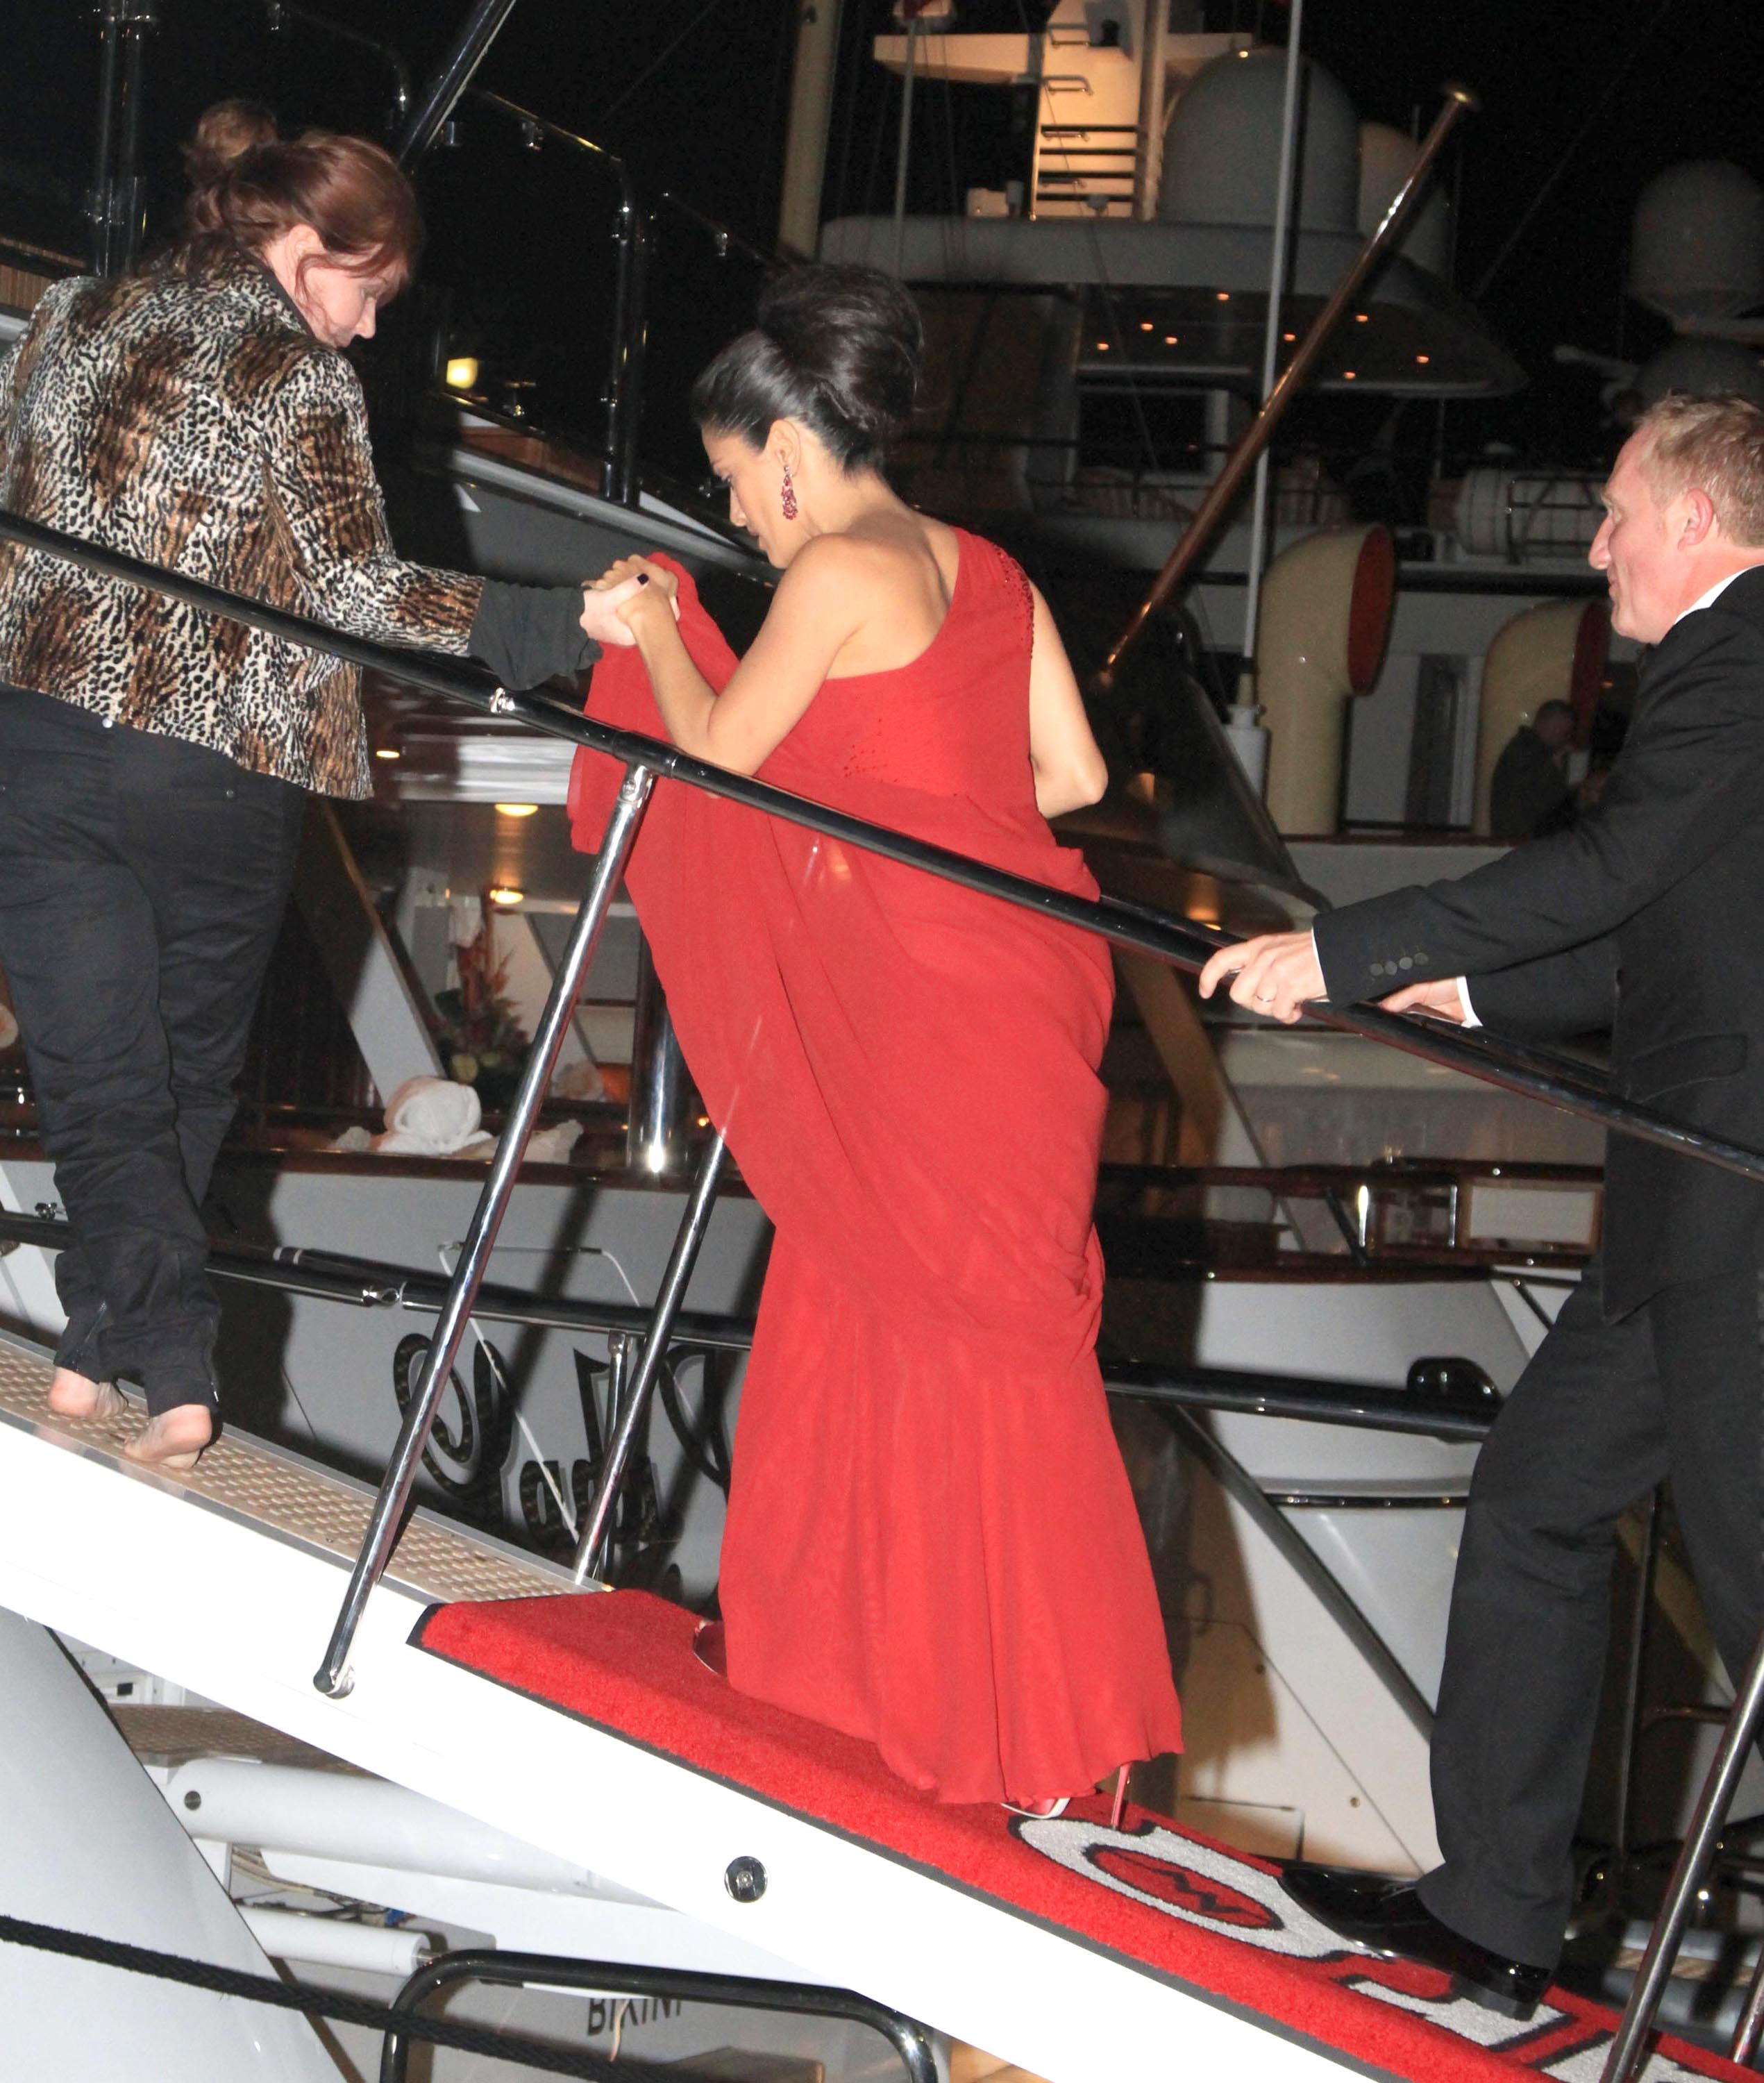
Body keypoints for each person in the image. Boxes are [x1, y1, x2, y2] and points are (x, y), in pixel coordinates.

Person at [569, 263, 1182, 1812]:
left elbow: (719, 750)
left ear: (789, 449)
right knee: (948, 1332)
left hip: (915, 1018)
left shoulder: (839, 570)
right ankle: (994, 1719)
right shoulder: (991, 569)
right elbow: (1067, 780)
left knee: (885, 1310)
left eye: (735, 481)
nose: (739, 517)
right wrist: (894, 797)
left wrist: (654, 621)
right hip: (1015, 997)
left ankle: (904, 1702)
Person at [1197, 392, 1764, 2016]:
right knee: (1534, 1498)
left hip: (1738, 1215)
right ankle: (1497, 1908)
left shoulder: (1743, 652)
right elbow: (1664, 936)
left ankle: (1503, 1908)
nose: (1595, 550)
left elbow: (1609, 866)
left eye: (1615, 514)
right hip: (1688, 1210)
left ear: (1696, 522)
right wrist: (1466, 991)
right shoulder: (1728, 669)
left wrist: (1347, 947)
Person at [0, 100, 639, 1470]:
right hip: (213, 764)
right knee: (180, 1078)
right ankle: (175, 1366)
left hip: (39, 743)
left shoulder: (67, 315)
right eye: (371, 290)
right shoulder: (294, 370)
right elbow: (354, 589)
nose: (366, 327)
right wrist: (555, 624)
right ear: (306, 246)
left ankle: (96, 1347)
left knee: (103, 1081)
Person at [1488, 696, 1574, 840]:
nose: (1566, 739)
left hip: (1514, 842)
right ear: (1556, 726)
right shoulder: (1533, 756)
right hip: (1525, 842)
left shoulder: (1522, 750)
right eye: (1565, 733)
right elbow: (1554, 804)